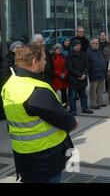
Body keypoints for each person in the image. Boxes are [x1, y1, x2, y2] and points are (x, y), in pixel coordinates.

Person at [1, 44, 79, 183]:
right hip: (45, 157)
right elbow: (66, 121)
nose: (46, 61)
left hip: (23, 153)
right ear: (34, 62)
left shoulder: (10, 84)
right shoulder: (37, 90)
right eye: (43, 59)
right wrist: (73, 122)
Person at [66, 39, 93, 116]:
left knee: (83, 95)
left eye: (79, 45)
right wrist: (79, 75)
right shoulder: (70, 55)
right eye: (77, 45)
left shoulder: (83, 54)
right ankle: (73, 110)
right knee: (73, 96)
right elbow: (69, 67)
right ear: (73, 46)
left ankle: (85, 108)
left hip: (83, 79)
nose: (78, 47)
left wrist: (84, 74)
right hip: (74, 79)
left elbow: (87, 65)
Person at [0, 41, 24, 120]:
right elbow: (4, 75)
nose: (19, 49)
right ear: (12, 49)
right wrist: (12, 84)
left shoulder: (23, 58)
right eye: (17, 47)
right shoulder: (7, 60)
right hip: (13, 88)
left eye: (21, 47)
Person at [86, 38, 108, 109]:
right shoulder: (88, 53)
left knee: (100, 89)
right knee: (93, 90)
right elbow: (87, 65)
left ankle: (100, 102)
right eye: (95, 43)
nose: (97, 45)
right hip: (94, 74)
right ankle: (93, 104)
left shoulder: (99, 51)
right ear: (91, 44)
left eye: (97, 43)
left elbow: (103, 61)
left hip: (101, 73)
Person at [51, 43, 69, 109]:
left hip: (63, 78)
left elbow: (67, 66)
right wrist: (60, 74)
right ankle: (54, 107)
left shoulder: (63, 56)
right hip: (56, 78)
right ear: (54, 49)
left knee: (64, 94)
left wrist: (65, 73)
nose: (59, 50)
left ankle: (64, 106)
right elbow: (52, 68)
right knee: (54, 94)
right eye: (57, 49)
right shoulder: (51, 57)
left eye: (60, 49)